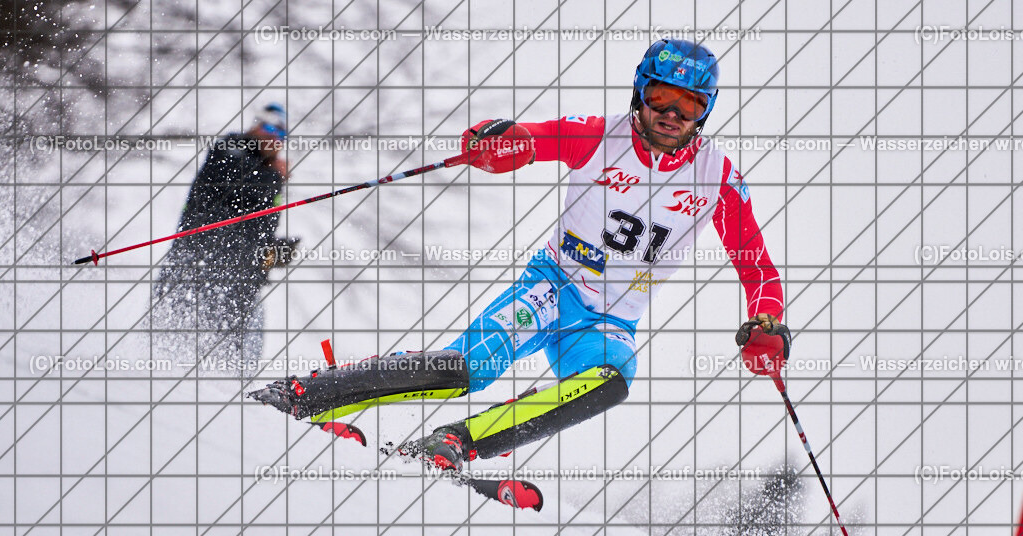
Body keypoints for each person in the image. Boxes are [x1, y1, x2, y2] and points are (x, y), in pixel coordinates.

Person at [250, 39, 791, 470]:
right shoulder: (599, 136)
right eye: (661, 97)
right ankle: (309, 393)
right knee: (469, 368)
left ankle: (455, 442)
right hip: (550, 288)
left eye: (690, 105)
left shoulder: (717, 178)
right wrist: (498, 143)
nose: (672, 114)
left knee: (611, 382)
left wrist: (768, 322)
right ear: (639, 93)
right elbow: (535, 138)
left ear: (705, 111)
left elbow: (756, 264)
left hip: (610, 322)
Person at [152, 103, 299, 374]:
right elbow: (239, 186)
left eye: (281, 134)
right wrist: (276, 176)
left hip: (240, 283)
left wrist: (272, 252)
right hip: (196, 269)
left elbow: (254, 225)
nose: (273, 137)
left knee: (234, 365)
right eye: (269, 127)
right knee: (171, 348)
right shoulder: (231, 148)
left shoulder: (268, 175)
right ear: (256, 125)